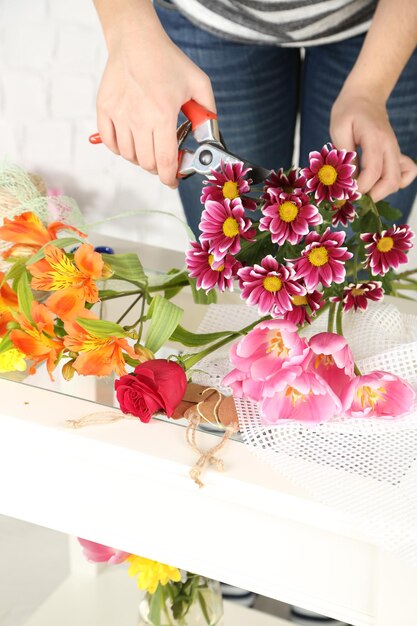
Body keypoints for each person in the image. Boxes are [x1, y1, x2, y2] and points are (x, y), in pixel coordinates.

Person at [92, 0, 417, 236]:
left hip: (384, 22)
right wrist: (129, 32)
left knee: (354, 262)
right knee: (234, 260)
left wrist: (371, 88)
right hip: (207, 17)